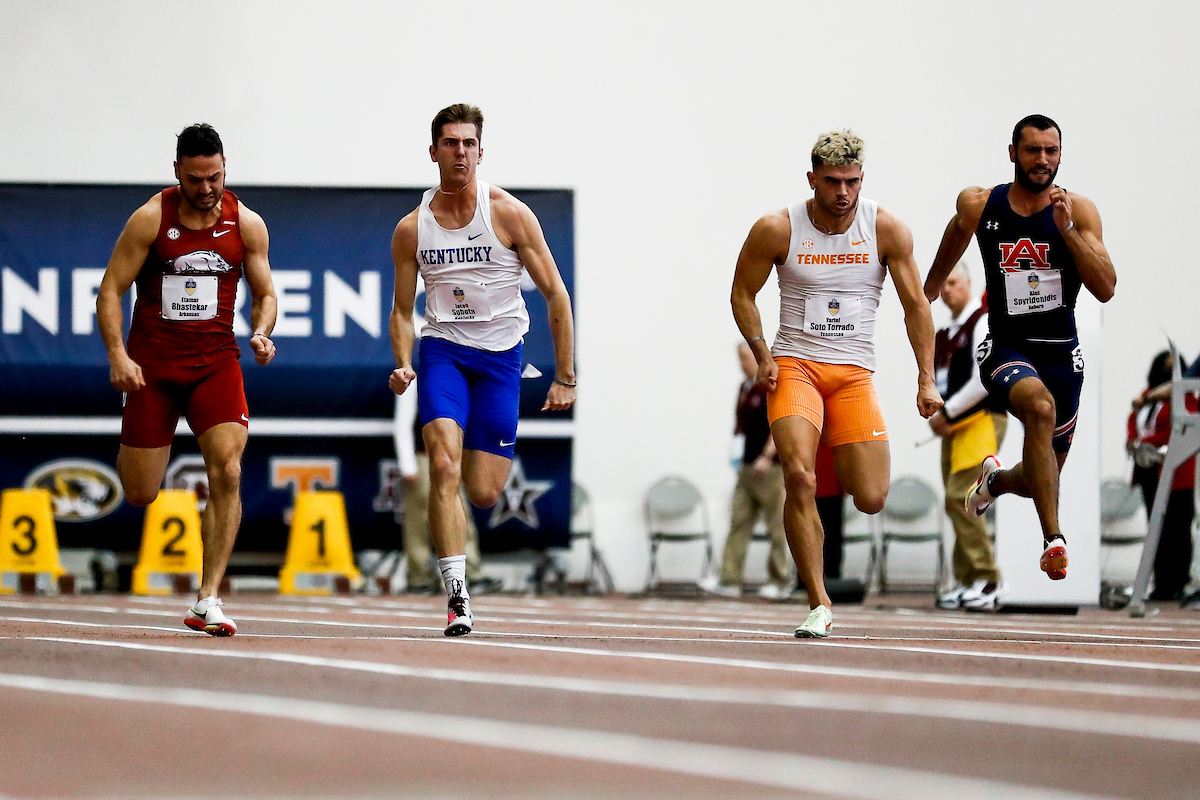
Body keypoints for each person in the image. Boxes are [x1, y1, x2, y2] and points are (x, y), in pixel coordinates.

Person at [731, 129, 942, 638]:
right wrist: (762, 354)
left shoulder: (885, 227)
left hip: (852, 375)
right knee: (800, 478)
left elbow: (916, 305)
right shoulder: (777, 228)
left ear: (862, 179)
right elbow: (741, 292)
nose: (842, 192)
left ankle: (821, 585)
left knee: (870, 497)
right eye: (831, 182)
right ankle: (818, 602)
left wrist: (926, 378)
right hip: (795, 367)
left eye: (851, 181)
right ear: (812, 180)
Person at [389, 104, 576, 636]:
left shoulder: (509, 215)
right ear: (434, 152)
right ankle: (456, 595)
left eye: (469, 144)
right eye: (450, 143)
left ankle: (460, 567)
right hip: (444, 350)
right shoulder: (412, 229)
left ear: (480, 151)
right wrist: (403, 363)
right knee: (442, 466)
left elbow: (555, 295)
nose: (460, 153)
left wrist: (566, 376)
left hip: (500, 358)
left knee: (484, 492)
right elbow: (402, 312)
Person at [96, 123, 278, 636]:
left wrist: (261, 332)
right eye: (196, 179)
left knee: (229, 469)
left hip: (216, 362)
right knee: (139, 492)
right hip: (152, 368)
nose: (206, 189)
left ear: (225, 168)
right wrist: (117, 355)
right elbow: (111, 290)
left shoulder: (248, 224)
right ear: (177, 171)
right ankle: (139, 442)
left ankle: (208, 597)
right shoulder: (151, 218)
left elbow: (266, 293)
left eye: (215, 177)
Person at [924, 114, 1116, 583]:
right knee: (1040, 407)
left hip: (1060, 352)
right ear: (1013, 152)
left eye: (1051, 151)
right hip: (1007, 345)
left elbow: (1107, 287)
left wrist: (1067, 231)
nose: (1042, 161)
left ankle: (994, 481)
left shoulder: (1080, 211)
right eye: (1032, 150)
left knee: (1036, 481)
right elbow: (942, 259)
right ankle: (1054, 540)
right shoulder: (979, 204)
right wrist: (921, 298)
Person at [929, 264, 1010, 610]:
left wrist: (946, 413)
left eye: (953, 282)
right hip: (953, 426)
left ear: (968, 283)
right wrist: (938, 414)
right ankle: (968, 581)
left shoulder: (983, 322)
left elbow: (983, 379)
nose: (947, 290)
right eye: (942, 285)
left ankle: (988, 578)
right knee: (957, 500)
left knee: (962, 497)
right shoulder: (944, 332)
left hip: (980, 421)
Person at [700, 342, 790, 600]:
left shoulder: (772, 385)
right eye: (739, 359)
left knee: (777, 526)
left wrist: (767, 455)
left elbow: (779, 423)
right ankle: (729, 578)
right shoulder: (746, 387)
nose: (741, 365)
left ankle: (780, 579)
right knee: (738, 521)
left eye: (745, 359)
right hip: (746, 465)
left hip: (770, 468)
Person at [394, 377, 495, 593]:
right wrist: (408, 464)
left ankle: (472, 572)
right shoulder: (414, 380)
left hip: (449, 458)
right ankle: (419, 576)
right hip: (422, 456)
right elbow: (403, 423)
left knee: (460, 514)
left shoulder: (456, 379)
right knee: (418, 521)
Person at [1127, 351, 1196, 601]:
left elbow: (1181, 429)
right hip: (1148, 469)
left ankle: (1177, 581)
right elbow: (1134, 419)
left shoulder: (1183, 396)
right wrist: (1132, 441)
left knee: (1176, 526)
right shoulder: (1146, 396)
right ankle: (1161, 580)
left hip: (1176, 467)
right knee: (1156, 526)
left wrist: (1146, 442)